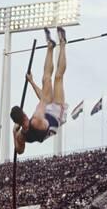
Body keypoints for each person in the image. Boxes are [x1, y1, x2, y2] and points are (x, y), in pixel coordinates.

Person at [10, 27, 69, 155]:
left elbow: (19, 151)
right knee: (56, 78)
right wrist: (33, 82)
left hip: (46, 113)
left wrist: (14, 133)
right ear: (24, 114)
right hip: (55, 117)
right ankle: (61, 44)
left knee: (48, 79)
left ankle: (51, 46)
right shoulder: (36, 118)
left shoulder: (21, 135)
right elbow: (44, 97)